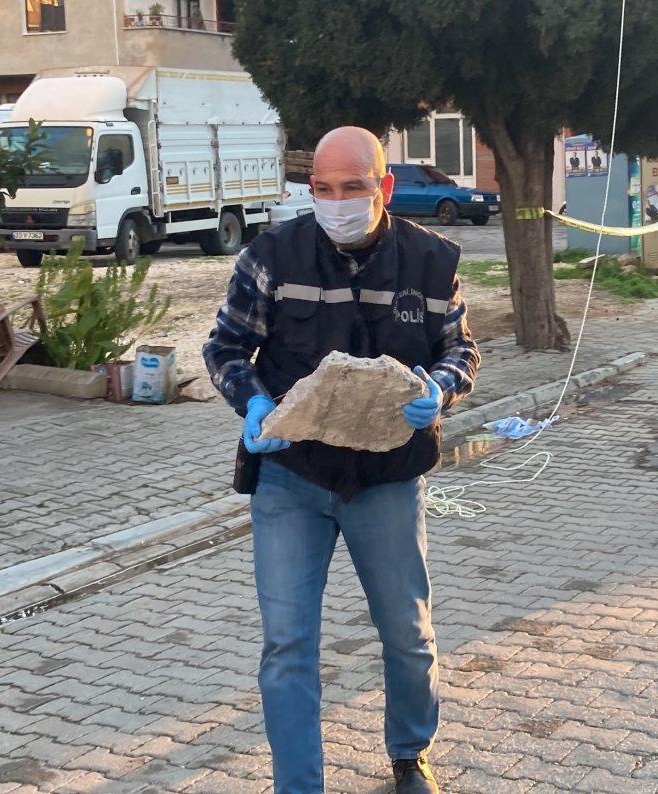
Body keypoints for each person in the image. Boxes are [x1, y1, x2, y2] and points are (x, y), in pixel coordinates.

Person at [202, 126, 480, 793]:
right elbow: (225, 348)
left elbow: (461, 351)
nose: (335, 201)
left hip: (385, 478)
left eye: (352, 188)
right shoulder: (272, 257)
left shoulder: (431, 262)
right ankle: (299, 785)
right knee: (287, 646)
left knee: (408, 637)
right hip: (290, 476)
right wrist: (252, 406)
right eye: (321, 189)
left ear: (383, 187)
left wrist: (439, 388)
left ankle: (410, 755)